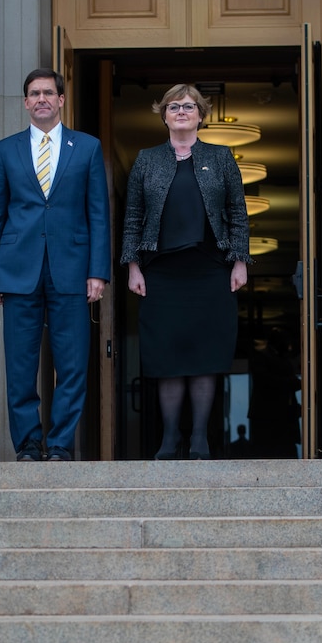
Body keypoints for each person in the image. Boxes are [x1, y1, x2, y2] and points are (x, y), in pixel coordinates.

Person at [0, 69, 111, 462]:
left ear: (61, 100)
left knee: (72, 364)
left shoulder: (87, 147)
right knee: (20, 365)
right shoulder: (5, 150)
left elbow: (98, 214)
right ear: (26, 102)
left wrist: (98, 271)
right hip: (17, 269)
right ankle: (27, 444)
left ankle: (59, 445)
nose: (41, 99)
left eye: (48, 93)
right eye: (34, 93)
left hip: (71, 269)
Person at [121, 83, 250, 460]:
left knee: (205, 356)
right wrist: (133, 266)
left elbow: (238, 213)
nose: (181, 112)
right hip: (161, 273)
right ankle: (169, 438)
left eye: (189, 106)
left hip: (210, 271)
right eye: (174, 106)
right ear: (163, 115)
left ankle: (199, 439)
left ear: (201, 116)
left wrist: (240, 260)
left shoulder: (221, 157)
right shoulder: (146, 159)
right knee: (168, 358)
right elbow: (133, 217)